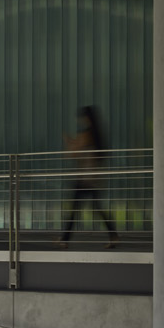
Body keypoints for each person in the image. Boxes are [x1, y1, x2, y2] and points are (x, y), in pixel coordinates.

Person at [60, 105, 114, 248]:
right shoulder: (95, 134)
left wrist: (67, 141)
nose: (80, 121)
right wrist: (72, 142)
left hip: (85, 178)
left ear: (87, 118)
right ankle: (113, 236)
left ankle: (64, 240)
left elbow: (72, 153)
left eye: (82, 118)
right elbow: (78, 147)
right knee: (95, 208)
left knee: (75, 209)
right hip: (92, 178)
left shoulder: (87, 134)